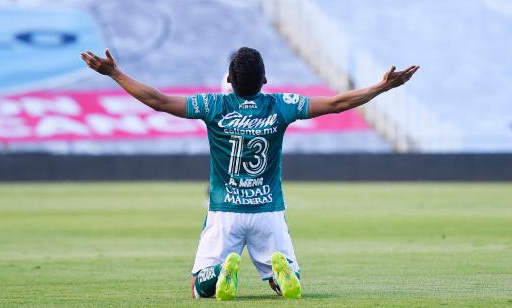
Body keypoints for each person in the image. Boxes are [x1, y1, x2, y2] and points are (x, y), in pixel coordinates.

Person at [81, 47, 418, 300]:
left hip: (224, 211)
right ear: (265, 80)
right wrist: (382, 87)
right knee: (286, 279)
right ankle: (281, 275)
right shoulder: (281, 105)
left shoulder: (213, 105)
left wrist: (114, 73)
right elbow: (335, 104)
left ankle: (215, 273)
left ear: (229, 80)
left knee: (199, 289)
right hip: (268, 210)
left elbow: (157, 100)